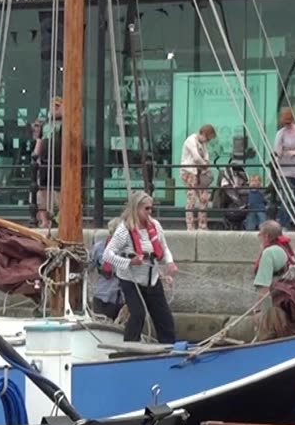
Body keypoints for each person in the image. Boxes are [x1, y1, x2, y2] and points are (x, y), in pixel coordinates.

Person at [102, 191, 178, 343]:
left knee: (163, 316)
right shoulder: (125, 229)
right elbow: (107, 255)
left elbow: (164, 247)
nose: (150, 212)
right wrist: (130, 262)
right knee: (138, 314)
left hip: (152, 277)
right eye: (146, 209)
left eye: (151, 209)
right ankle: (129, 346)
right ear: (136, 209)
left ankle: (170, 346)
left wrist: (170, 262)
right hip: (131, 279)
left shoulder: (155, 225)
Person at [252, 220, 295, 338]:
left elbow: (264, 286)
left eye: (260, 233)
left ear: (266, 236)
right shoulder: (288, 249)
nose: (258, 236)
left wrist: (257, 311)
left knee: (268, 336)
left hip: (273, 308)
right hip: (289, 305)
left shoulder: (268, 253)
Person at [32, 97, 63, 228]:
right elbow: (39, 140)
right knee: (42, 190)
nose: (54, 108)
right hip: (45, 161)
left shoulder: (66, 123)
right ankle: (44, 221)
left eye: (57, 106)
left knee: (61, 190)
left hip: (59, 161)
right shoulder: (46, 124)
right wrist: (35, 156)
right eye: (52, 106)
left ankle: (60, 218)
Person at [179, 124, 215, 231]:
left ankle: (202, 225)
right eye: (208, 138)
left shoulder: (201, 143)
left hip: (199, 173)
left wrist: (205, 163)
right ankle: (190, 226)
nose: (207, 141)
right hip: (189, 172)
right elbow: (196, 157)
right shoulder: (191, 141)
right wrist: (205, 164)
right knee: (192, 199)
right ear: (203, 134)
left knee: (204, 199)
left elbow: (206, 155)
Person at [90, 217, 123, 322]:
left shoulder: (129, 251)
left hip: (122, 300)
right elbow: (87, 267)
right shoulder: (99, 248)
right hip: (102, 296)